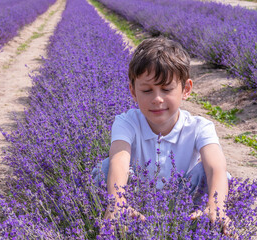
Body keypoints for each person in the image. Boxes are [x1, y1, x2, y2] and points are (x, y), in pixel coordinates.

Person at [92, 37, 232, 234]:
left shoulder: (200, 126)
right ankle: (117, 217)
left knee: (220, 177)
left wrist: (216, 204)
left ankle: (211, 219)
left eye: (166, 89)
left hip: (184, 204)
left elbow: (216, 165)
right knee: (104, 168)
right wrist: (117, 200)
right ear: (133, 91)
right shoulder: (126, 122)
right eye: (147, 90)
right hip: (137, 200)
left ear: (186, 89)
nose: (157, 99)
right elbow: (119, 159)